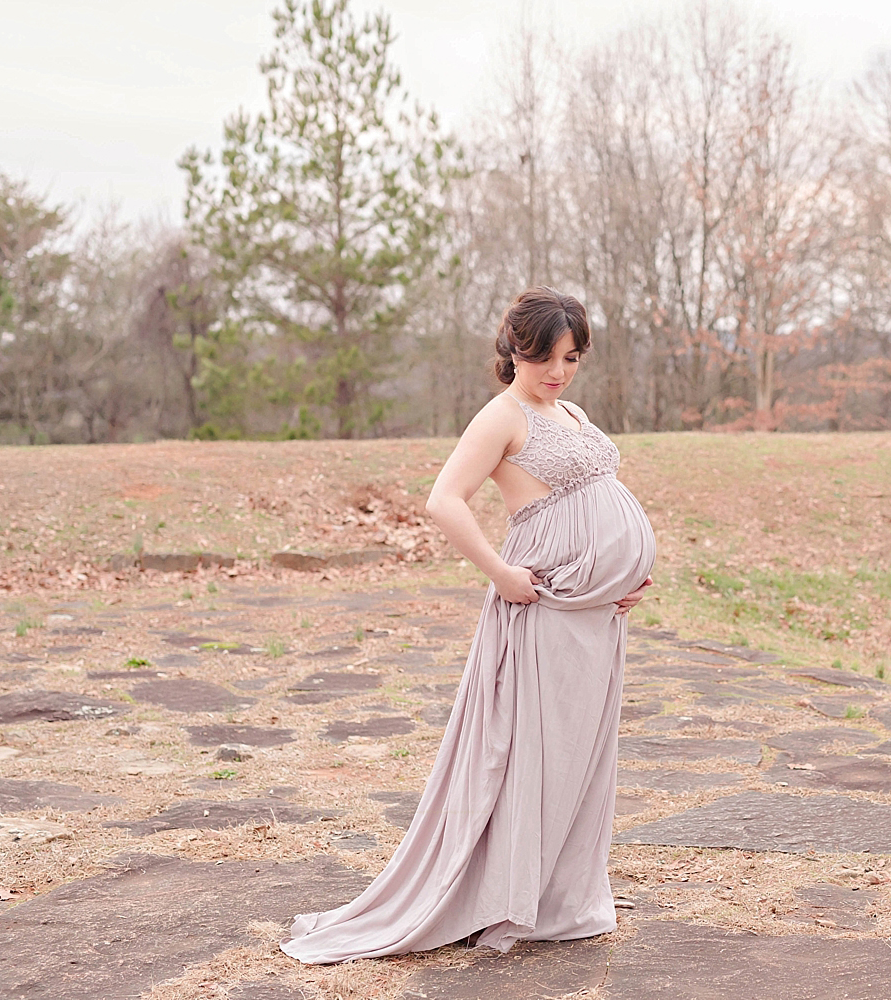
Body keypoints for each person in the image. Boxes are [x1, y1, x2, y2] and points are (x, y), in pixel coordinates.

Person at [280, 287, 656, 963]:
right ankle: (506, 898)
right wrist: (500, 574)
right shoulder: (502, 417)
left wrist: (626, 575)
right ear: (514, 348)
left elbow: (599, 502)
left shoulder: (571, 411)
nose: (557, 371)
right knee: (532, 755)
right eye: (543, 355)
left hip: (592, 614)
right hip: (542, 609)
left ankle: (557, 896)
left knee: (579, 754)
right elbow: (444, 500)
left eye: (570, 357)